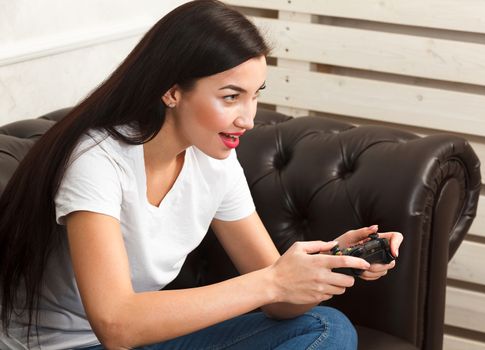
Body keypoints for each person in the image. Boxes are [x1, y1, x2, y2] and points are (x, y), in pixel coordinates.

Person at [0, 1, 403, 349]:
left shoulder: (216, 161)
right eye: (231, 96)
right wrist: (273, 282)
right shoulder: (96, 159)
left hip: (145, 339)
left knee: (323, 328)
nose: (248, 118)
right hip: (73, 344)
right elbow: (115, 323)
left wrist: (328, 264)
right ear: (172, 92)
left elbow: (280, 303)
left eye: (255, 94)